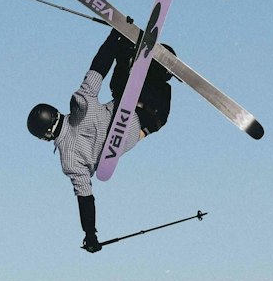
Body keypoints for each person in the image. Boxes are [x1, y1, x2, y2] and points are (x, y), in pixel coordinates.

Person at [26, 30, 174, 252]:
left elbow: (85, 197)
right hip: (138, 97)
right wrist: (114, 37)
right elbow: (97, 69)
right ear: (55, 113)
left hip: (155, 118)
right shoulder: (80, 105)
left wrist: (90, 234)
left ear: (44, 136)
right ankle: (131, 51)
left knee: (142, 90)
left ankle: (150, 64)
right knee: (119, 81)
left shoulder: (69, 160)